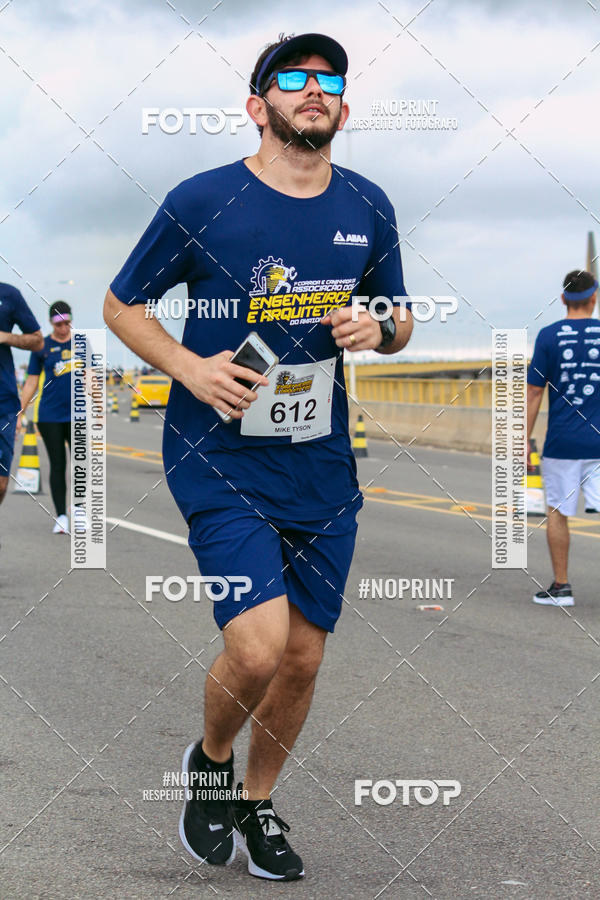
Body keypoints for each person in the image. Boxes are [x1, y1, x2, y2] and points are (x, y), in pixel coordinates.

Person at [104, 32, 413, 880]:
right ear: (258, 105)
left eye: (330, 82)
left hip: (321, 463)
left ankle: (258, 802)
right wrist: (190, 367)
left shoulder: (368, 203)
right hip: (218, 455)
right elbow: (122, 304)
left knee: (305, 657)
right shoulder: (203, 200)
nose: (314, 89)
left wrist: (378, 328)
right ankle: (210, 760)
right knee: (257, 648)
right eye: (294, 78)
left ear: (343, 109)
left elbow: (399, 315)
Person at [527, 269, 600, 606]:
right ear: (594, 298)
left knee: (557, 512)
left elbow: (533, 395)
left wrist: (521, 440)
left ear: (562, 300)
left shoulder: (548, 336)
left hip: (563, 443)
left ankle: (562, 587)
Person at [20, 301, 74, 534]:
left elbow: (92, 375)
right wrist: (20, 408)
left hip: (78, 414)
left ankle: (80, 512)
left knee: (82, 466)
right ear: (51, 323)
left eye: (67, 323)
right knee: (58, 464)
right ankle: (62, 516)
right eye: (59, 323)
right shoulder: (42, 347)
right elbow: (32, 380)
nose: (63, 328)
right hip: (50, 415)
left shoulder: (81, 344)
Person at [0, 282, 43, 509]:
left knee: (1, 483)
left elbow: (37, 340)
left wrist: (6, 337)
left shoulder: (9, 295)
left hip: (3, 402)